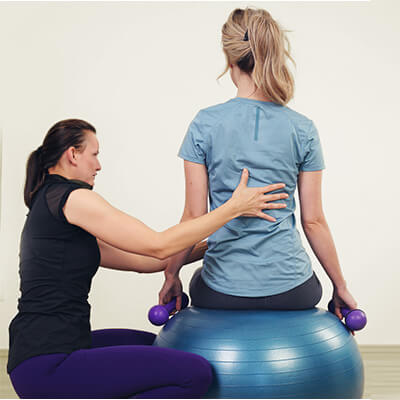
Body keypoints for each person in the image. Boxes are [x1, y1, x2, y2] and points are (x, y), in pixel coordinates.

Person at [7, 118, 288, 399]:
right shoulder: (74, 199)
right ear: (72, 154)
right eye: (94, 154)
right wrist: (233, 208)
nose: (98, 165)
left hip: (50, 349)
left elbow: (148, 262)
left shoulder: (53, 206)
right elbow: (158, 245)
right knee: (195, 373)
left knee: (157, 344)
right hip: (49, 364)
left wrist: (221, 243)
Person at [159, 7, 358, 321]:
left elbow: (193, 217)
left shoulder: (205, 123)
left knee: (199, 280)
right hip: (293, 290)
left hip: (221, 291)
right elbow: (314, 221)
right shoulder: (302, 128)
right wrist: (340, 286)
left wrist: (172, 276)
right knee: (309, 283)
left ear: (230, 57)